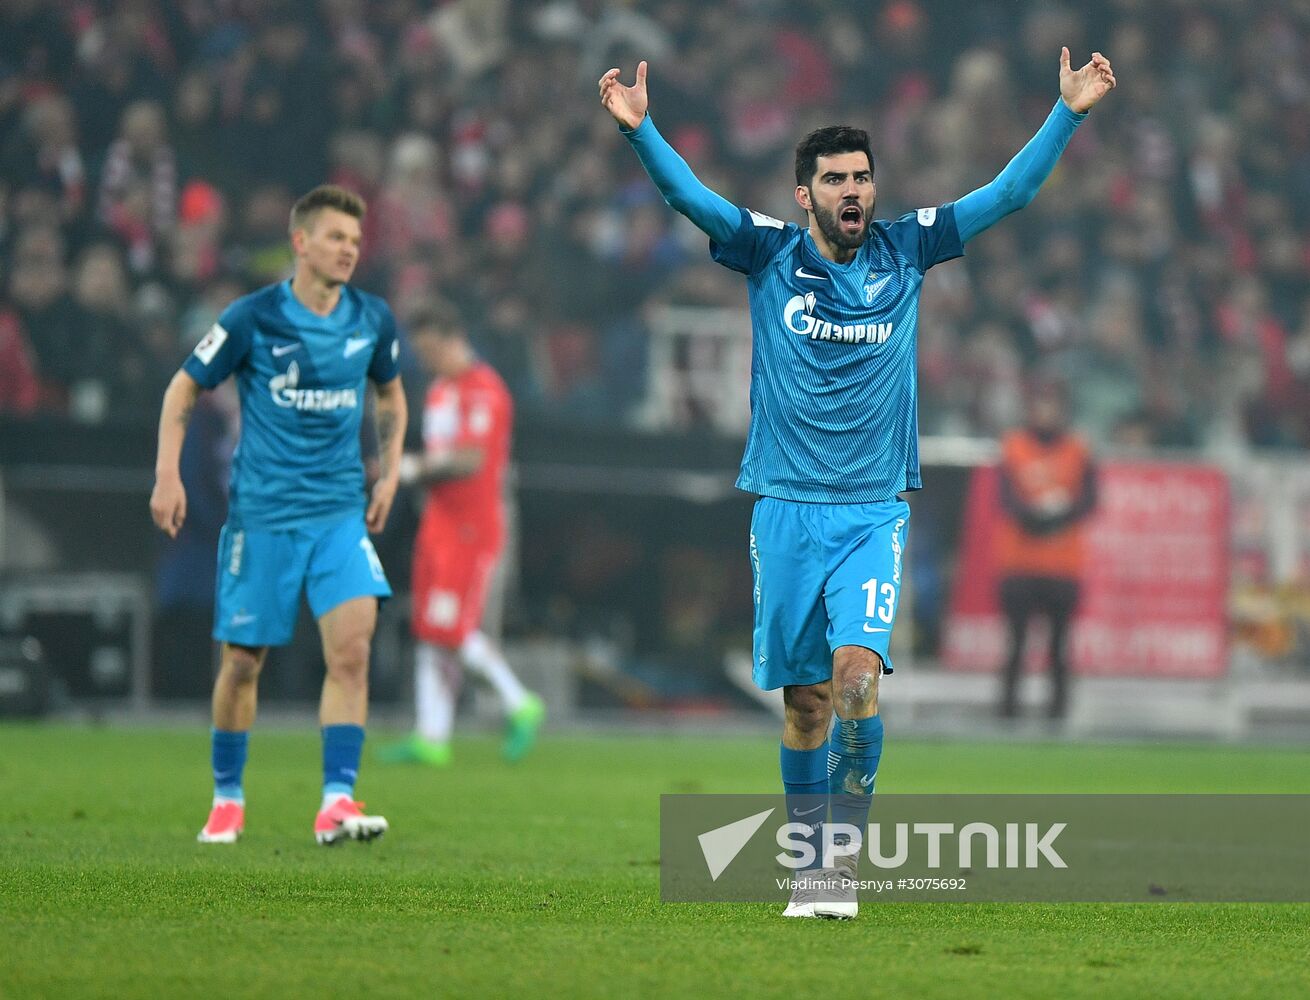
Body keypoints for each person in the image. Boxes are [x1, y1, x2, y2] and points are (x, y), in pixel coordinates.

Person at [600, 49, 1115, 918]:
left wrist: (1067, 114)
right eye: (835, 177)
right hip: (786, 509)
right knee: (804, 708)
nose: (854, 190)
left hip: (872, 510)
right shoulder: (765, 252)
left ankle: (834, 868)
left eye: (863, 176)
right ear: (805, 193)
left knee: (854, 682)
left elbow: (1008, 197)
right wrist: (643, 131)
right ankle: (806, 860)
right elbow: (691, 201)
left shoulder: (906, 248)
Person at [149, 184, 408, 846]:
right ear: (301, 242)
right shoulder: (252, 317)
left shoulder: (371, 319)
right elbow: (185, 386)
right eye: (335, 237)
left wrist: (391, 469)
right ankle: (228, 799)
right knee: (241, 663)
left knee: (352, 651)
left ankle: (337, 800)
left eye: (355, 240)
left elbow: (392, 396)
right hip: (262, 517)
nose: (349, 249)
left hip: (338, 516)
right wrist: (167, 474)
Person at [382, 301, 544, 767]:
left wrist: (411, 467)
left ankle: (520, 702)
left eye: (432, 350)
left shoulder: (484, 392)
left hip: (472, 528)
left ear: (456, 340)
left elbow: (470, 460)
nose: (427, 360)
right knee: (429, 629)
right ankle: (431, 737)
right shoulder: (439, 390)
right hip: (437, 521)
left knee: (449, 627)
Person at [995, 378, 1097, 721]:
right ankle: (1007, 711)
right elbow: (1004, 498)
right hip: (1020, 562)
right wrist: (1035, 518)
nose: (1046, 412)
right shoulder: (1014, 447)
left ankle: (1058, 713)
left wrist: (1060, 515)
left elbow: (1090, 499)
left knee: (1059, 646)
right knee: (1016, 644)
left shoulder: (1078, 450)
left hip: (1062, 565)